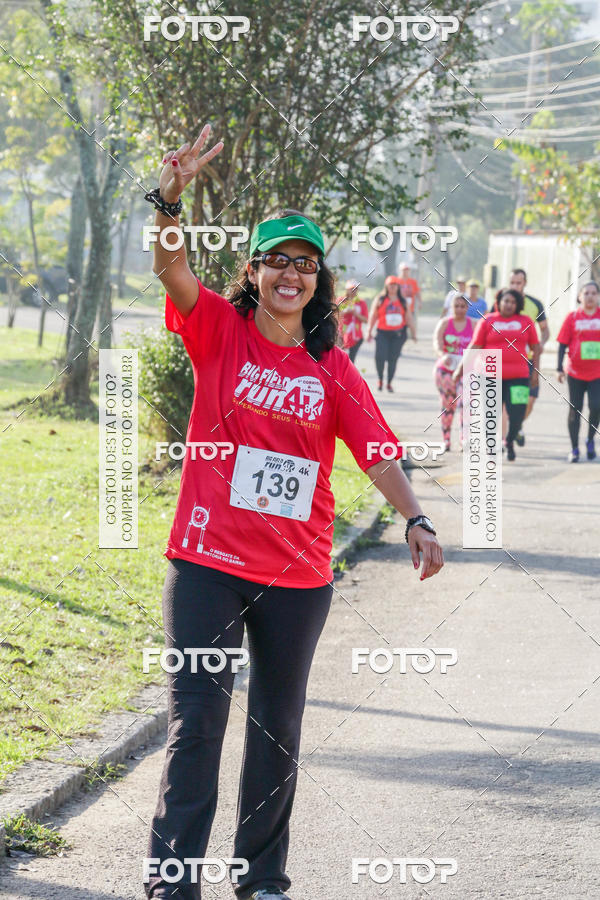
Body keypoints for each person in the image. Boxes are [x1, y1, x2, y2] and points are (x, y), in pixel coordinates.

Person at [144, 125, 444, 900]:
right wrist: (171, 197)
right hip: (207, 563)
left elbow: (377, 452)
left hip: (298, 575)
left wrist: (416, 518)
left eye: (304, 264)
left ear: (318, 282)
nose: (291, 273)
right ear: (254, 270)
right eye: (278, 259)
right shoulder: (219, 329)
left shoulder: (332, 369)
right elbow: (172, 268)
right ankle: (173, 884)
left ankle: (262, 882)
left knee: (276, 736)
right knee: (196, 730)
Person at [454, 288, 540, 461]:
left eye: (513, 302)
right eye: (505, 301)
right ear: (499, 302)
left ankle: (509, 441)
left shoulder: (526, 322)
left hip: (519, 377)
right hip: (489, 376)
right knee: (491, 413)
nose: (509, 305)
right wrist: (460, 369)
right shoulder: (487, 320)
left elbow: (536, 347)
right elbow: (475, 346)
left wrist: (535, 372)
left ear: (518, 305)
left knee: (517, 413)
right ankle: (491, 446)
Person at [556, 280, 600, 462]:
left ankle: (590, 439)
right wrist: (559, 368)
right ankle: (574, 449)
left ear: (598, 297)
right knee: (575, 409)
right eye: (586, 293)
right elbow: (562, 344)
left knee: (596, 406)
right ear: (580, 297)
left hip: (597, 372)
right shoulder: (572, 317)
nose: (589, 296)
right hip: (575, 372)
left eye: (593, 293)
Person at [508, 268, 550, 446]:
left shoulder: (535, 304)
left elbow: (545, 330)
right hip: (507, 360)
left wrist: (541, 343)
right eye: (512, 282)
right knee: (507, 400)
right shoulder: (503, 302)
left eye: (519, 282)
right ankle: (509, 431)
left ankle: (516, 426)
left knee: (530, 400)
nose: (515, 286)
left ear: (525, 283)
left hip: (529, 359)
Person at [432, 292, 474, 451]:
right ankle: (446, 439)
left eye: (463, 306)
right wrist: (443, 355)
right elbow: (437, 343)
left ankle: (465, 438)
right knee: (448, 404)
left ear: (467, 307)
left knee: (466, 403)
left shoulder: (474, 324)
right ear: (451, 307)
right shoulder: (444, 323)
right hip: (446, 369)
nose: (459, 309)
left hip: (466, 369)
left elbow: (480, 343)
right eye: (456, 306)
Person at [366, 275, 416, 392]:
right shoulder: (380, 299)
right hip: (382, 333)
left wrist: (413, 334)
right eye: (390, 285)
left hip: (397, 335)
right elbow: (373, 316)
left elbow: (409, 318)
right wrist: (368, 331)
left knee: (393, 359)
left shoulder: (402, 301)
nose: (393, 288)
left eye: (395, 285)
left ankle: (389, 382)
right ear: (387, 286)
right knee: (380, 357)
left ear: (398, 287)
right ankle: (380, 379)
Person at [336, 278, 369, 363]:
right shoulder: (340, 300)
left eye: (356, 288)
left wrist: (355, 314)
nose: (354, 290)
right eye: (352, 288)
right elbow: (334, 315)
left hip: (356, 336)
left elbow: (365, 320)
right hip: (341, 334)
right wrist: (344, 312)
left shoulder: (361, 302)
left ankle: (348, 375)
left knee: (351, 360)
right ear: (347, 289)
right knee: (340, 357)